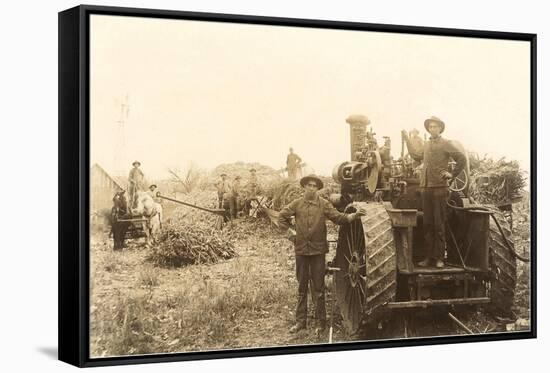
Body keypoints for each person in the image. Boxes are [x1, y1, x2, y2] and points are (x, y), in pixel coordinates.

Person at [278, 174, 366, 333]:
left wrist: (353, 216)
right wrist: (292, 236)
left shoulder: (324, 204)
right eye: (309, 185)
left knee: (318, 288)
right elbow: (281, 218)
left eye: (314, 186)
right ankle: (300, 322)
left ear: (317, 189)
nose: (311, 188)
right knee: (302, 287)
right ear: (304, 187)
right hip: (302, 251)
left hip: (318, 252)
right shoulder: (297, 204)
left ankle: (321, 323)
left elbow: (338, 218)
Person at [402, 116, 466, 268]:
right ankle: (428, 257)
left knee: (439, 224)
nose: (433, 129)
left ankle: (439, 258)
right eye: (430, 127)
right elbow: (416, 155)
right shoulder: (426, 144)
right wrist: (407, 140)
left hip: (439, 188)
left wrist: (452, 174)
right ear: (428, 129)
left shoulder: (445, 144)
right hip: (425, 188)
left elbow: (461, 158)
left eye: (435, 127)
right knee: (428, 224)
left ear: (440, 129)